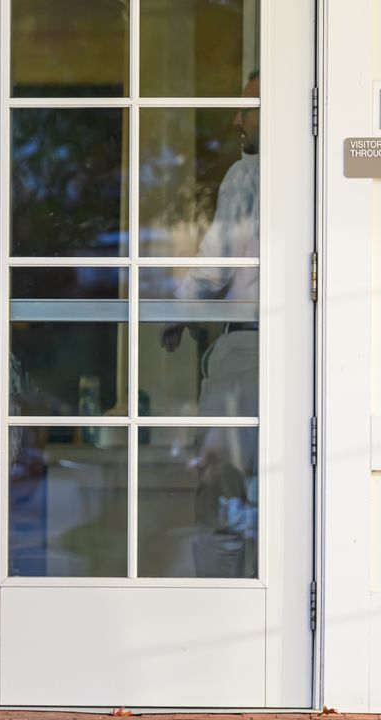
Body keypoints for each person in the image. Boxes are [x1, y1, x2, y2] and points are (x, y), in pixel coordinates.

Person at [160, 71, 259, 578]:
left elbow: (216, 266)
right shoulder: (315, 175)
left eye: (249, 107)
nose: (238, 118)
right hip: (300, 353)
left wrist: (177, 310)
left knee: (225, 496)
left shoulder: (248, 174)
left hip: (247, 354)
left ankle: (224, 606)